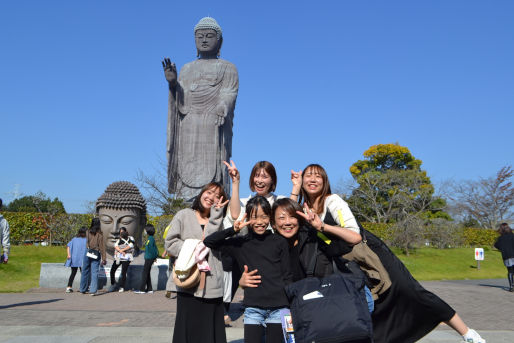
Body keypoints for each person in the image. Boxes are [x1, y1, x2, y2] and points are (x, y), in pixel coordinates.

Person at [288, 164, 485, 343]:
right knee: (374, 309)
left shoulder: (333, 201)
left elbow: (354, 235)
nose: (312, 180)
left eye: (318, 176)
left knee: (412, 292)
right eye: (308, 177)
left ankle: (468, 334)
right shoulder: (307, 208)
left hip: (372, 255)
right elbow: (287, 215)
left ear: (325, 181)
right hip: (347, 265)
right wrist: (295, 188)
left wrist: (322, 226)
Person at [163, 17, 239, 201]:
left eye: (209, 36)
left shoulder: (228, 68)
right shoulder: (187, 68)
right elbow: (181, 102)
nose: (204, 40)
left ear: (219, 41)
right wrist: (173, 83)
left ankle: (215, 197)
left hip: (213, 125)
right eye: (199, 37)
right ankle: (186, 199)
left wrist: (223, 105)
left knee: (214, 167)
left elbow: (229, 92)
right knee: (186, 167)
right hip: (188, 127)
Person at [204, 196, 292, 343]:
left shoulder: (279, 241)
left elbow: (287, 275)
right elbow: (209, 241)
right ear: (248, 218)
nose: (259, 222)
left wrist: (290, 307)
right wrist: (233, 229)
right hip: (253, 310)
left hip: (279, 308)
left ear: (270, 218)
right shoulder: (240, 243)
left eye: (264, 217)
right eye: (254, 217)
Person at [165, 182, 229, 343]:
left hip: (212, 283)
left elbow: (210, 241)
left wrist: (216, 215)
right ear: (202, 193)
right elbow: (170, 243)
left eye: (217, 196)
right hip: (188, 280)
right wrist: (193, 248)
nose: (211, 197)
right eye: (209, 192)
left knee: (210, 330)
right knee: (187, 328)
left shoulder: (220, 221)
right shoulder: (184, 215)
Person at [223, 160, 283, 229]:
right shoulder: (245, 202)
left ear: (272, 179)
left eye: (264, 177)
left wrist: (296, 187)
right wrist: (235, 181)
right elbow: (234, 216)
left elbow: (290, 212)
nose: (259, 181)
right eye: (257, 176)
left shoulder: (278, 201)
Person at [95, 181, 147, 260]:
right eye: (107, 221)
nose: (114, 230)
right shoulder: (92, 261)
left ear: (142, 224)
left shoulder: (146, 261)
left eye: (126, 221)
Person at [80, 218, 107, 296]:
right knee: (94, 272)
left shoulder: (87, 232)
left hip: (87, 252)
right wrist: (104, 258)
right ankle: (93, 290)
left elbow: (86, 242)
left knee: (85, 271)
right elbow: (102, 247)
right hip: (96, 253)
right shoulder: (100, 234)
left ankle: (82, 289)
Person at [108, 227, 136, 292]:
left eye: (123, 232)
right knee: (112, 270)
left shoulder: (130, 238)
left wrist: (122, 250)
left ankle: (122, 286)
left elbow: (131, 245)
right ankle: (113, 284)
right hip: (119, 257)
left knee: (123, 272)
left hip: (127, 257)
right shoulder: (119, 239)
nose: (122, 233)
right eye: (120, 232)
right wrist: (120, 251)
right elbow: (115, 246)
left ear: (126, 232)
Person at [135, 224, 159, 294]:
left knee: (144, 273)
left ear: (148, 230)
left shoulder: (150, 239)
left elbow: (153, 249)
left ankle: (142, 289)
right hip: (149, 258)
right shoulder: (150, 238)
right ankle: (149, 289)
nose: (144, 231)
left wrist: (154, 257)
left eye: (145, 230)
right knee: (147, 273)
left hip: (149, 258)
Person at [64, 226, 87, 293]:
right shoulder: (86, 240)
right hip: (83, 259)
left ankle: (69, 287)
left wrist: (69, 255)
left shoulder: (74, 239)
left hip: (74, 259)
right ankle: (83, 287)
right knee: (83, 274)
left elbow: (68, 246)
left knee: (73, 273)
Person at [494, 223, 514, 292]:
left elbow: (496, 245)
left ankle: (511, 286)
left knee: (510, 271)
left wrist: (502, 248)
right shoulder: (512, 236)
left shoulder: (500, 238)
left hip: (506, 256)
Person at [0, 199, 10, 264]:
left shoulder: (3, 222)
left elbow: (5, 238)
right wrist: (6, 253)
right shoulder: (4, 222)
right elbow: (5, 238)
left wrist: (5, 253)